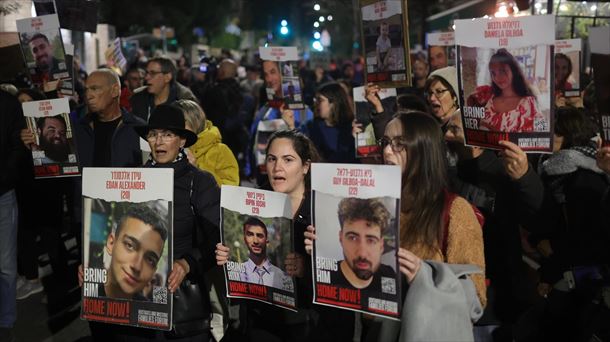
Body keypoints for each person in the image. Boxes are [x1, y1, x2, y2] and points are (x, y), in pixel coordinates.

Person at [81, 103, 221, 340]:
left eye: (168, 135)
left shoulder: (199, 182)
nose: (158, 141)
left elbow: (217, 239)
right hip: (132, 311)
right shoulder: (131, 179)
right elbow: (105, 232)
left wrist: (187, 263)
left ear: (182, 141)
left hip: (180, 306)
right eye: (153, 134)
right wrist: (90, 264)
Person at [526, 107, 610, 341]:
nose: (547, 139)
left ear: (570, 135)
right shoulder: (555, 170)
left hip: (577, 281)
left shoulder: (585, 178)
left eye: (554, 133)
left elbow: (582, 235)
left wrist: (551, 273)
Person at [0, 89, 27, 342]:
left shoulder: (8, 103)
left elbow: (16, 148)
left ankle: (5, 322)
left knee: (5, 266)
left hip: (2, 194)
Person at [102, 205, 168, 300]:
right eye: (130, 246)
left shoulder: (149, 309)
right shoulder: (91, 288)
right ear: (111, 243)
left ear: (154, 271)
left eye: (150, 260)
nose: (137, 266)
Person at [333, 197, 395, 290]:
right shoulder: (324, 276)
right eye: (353, 238)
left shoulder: (389, 275)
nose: (362, 254)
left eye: (371, 240)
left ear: (381, 245)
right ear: (341, 238)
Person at [175, 99, 239, 186]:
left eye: (180, 122)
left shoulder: (221, 151)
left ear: (194, 121)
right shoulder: (165, 148)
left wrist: (197, 170)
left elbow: (230, 190)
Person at [479, 49, 545, 132]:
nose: (497, 78)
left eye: (502, 71)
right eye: (493, 73)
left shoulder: (529, 102)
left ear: (513, 70)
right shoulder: (490, 102)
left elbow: (542, 131)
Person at [299, 82, 357, 163]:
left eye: (320, 100)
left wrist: (353, 138)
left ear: (334, 103)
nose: (316, 104)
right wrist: (290, 125)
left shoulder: (352, 127)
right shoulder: (310, 127)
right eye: (315, 100)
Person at [130, 56, 198, 121]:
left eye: (153, 73)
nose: (146, 77)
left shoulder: (184, 102)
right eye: (147, 73)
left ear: (167, 77)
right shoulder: (138, 99)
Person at [239, 217, 292, 290]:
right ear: (244, 239)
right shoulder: (238, 273)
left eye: (259, 235)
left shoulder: (282, 277)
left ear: (267, 241)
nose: (255, 241)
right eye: (250, 235)